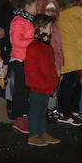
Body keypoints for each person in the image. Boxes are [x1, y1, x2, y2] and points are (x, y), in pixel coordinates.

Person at [25, 14, 60, 146]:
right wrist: (44, 83)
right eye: (49, 27)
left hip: (47, 86)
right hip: (38, 86)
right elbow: (31, 70)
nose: (51, 29)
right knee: (35, 111)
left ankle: (43, 132)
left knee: (42, 110)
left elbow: (51, 66)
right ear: (41, 29)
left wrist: (54, 81)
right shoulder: (34, 47)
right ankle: (33, 135)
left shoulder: (47, 46)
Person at [8, 0, 37, 134]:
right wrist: (34, 41)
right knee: (20, 90)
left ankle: (24, 116)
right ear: (28, 6)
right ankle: (18, 117)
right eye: (35, 6)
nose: (37, 8)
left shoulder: (28, 20)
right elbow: (16, 41)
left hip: (27, 59)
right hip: (19, 59)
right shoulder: (18, 20)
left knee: (26, 90)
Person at [56, 0, 82, 126]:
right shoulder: (76, 11)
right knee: (69, 86)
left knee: (65, 85)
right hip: (74, 54)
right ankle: (65, 113)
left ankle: (63, 112)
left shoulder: (60, 13)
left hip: (65, 52)